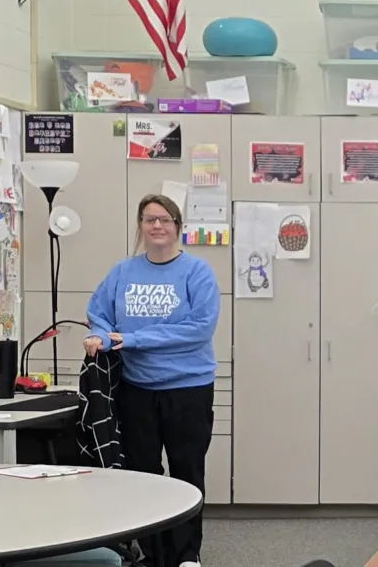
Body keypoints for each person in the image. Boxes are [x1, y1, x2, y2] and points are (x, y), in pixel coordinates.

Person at [84, 194, 220, 567]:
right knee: (143, 474)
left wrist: (133, 339)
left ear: (177, 226)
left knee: (186, 470)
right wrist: (100, 334)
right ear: (140, 226)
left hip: (188, 388)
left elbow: (198, 329)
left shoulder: (197, 272)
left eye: (164, 219)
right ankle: (153, 555)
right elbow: (98, 313)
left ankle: (187, 555)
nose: (156, 226)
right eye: (148, 220)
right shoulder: (122, 272)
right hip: (138, 389)